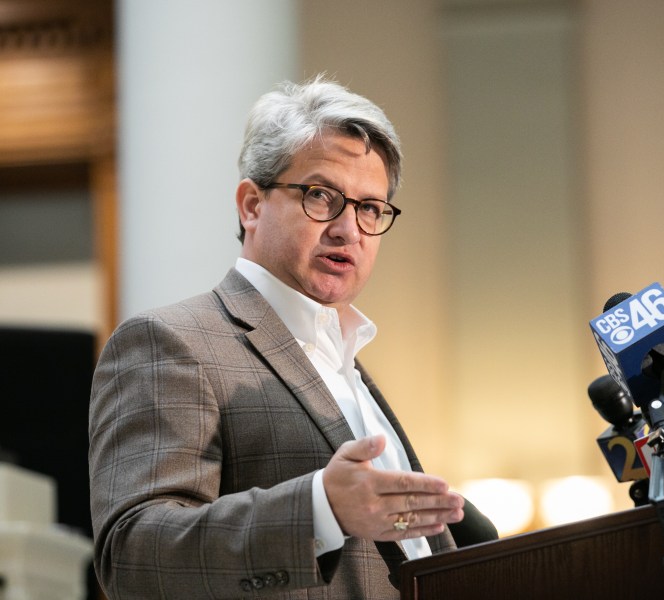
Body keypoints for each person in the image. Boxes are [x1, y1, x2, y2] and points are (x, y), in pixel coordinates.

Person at [88, 75, 496, 599]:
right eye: (321, 195)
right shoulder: (171, 342)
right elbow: (133, 556)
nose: (349, 228)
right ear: (251, 205)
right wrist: (320, 509)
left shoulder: (347, 362)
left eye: (370, 208)